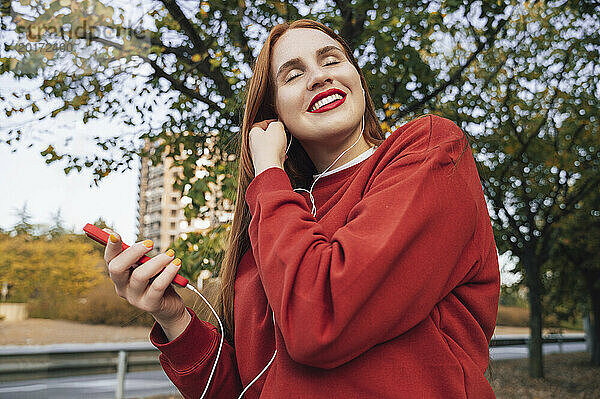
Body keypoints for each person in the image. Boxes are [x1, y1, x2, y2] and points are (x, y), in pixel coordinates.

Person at [103, 19, 500, 398]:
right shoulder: (273, 221)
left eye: (332, 60)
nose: (319, 75)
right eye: (293, 74)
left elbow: (320, 319)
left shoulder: (429, 149)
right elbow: (248, 389)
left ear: (357, 79)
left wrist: (269, 174)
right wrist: (174, 318)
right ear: (273, 117)